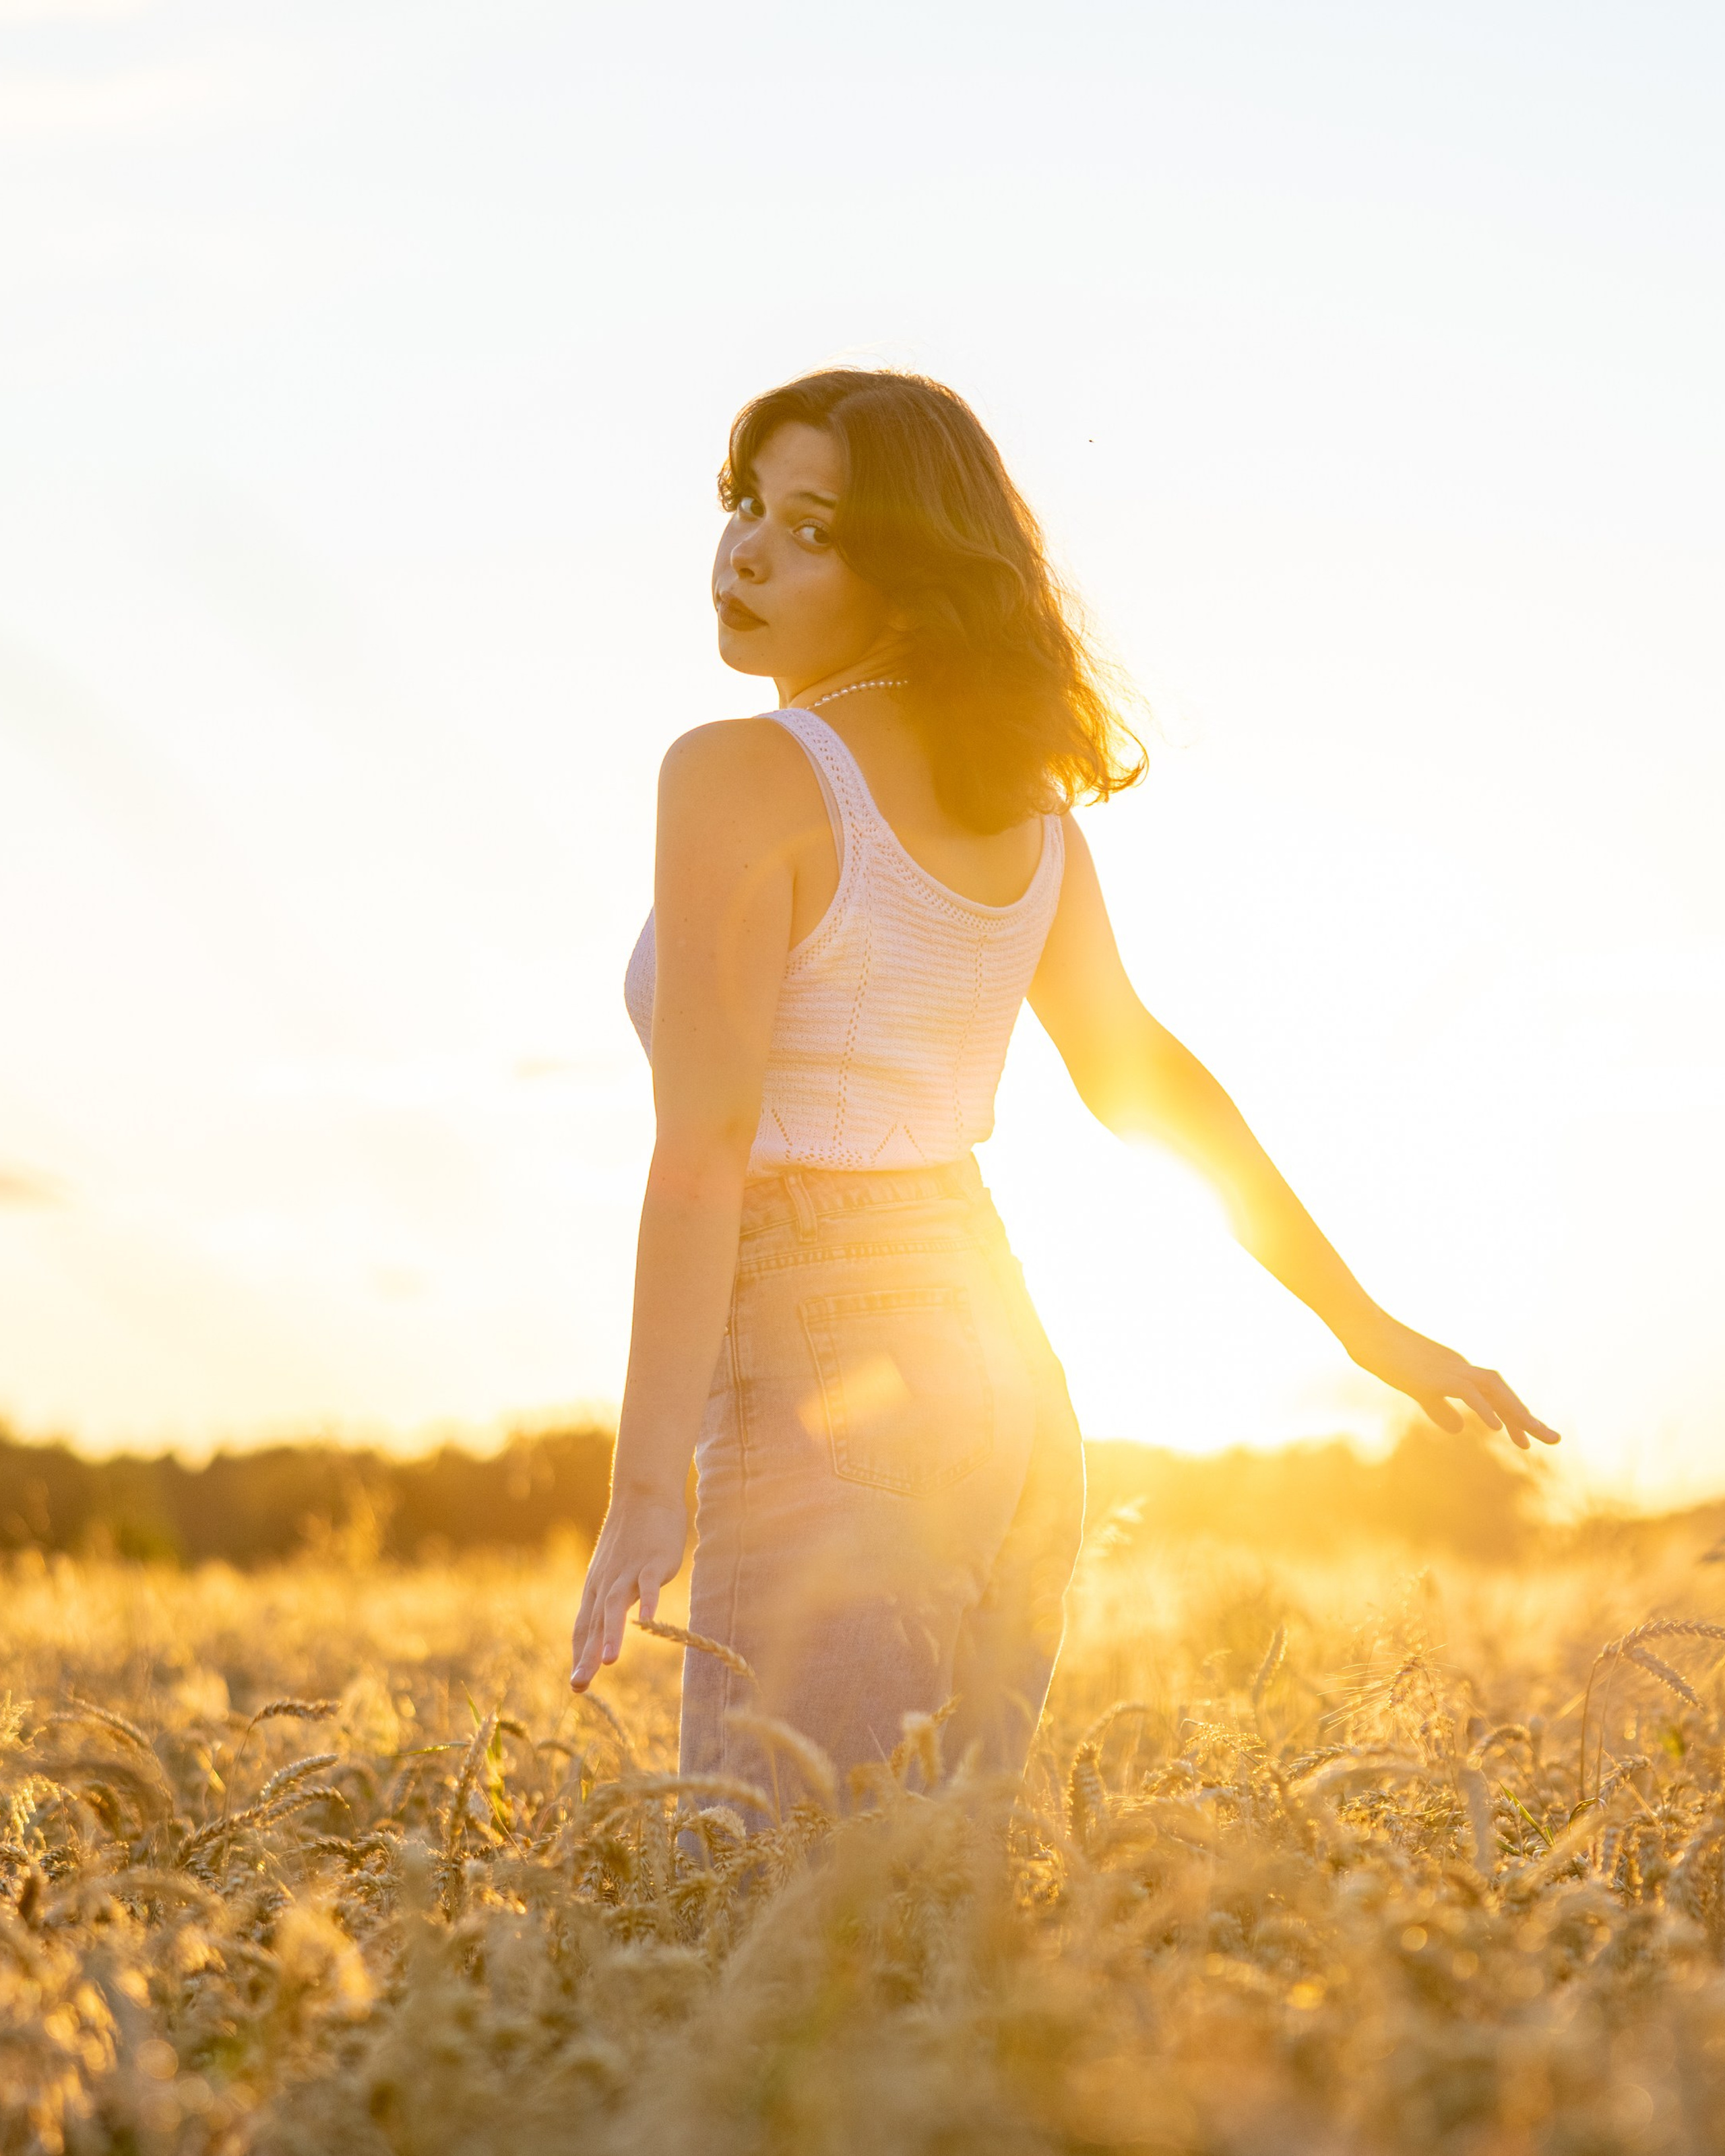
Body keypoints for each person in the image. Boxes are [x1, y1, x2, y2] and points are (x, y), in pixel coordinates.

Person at [568, 368, 1557, 1799]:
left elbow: (707, 1145)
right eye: (742, 506)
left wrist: (647, 1486)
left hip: (821, 1365)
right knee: (933, 1912)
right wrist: (1363, 1324)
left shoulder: (737, 774)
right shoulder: (1021, 821)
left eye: (812, 527)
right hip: (1002, 1380)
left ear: (908, 575)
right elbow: (1145, 1080)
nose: (746, 551)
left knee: (775, 1928)